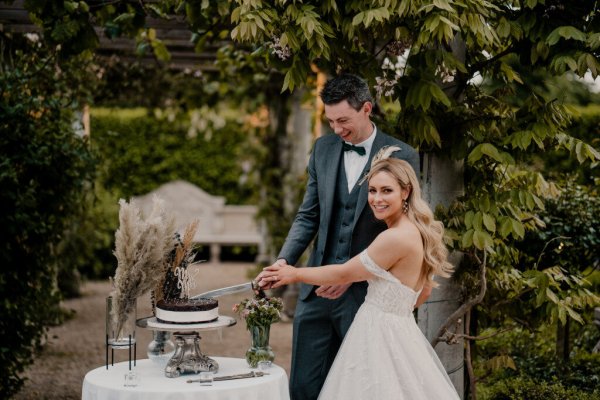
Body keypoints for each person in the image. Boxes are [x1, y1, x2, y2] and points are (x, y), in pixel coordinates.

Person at [258, 73, 423, 400]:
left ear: (366, 109)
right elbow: (309, 214)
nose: (336, 129)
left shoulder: (403, 155)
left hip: (364, 295)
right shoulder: (323, 148)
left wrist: (352, 275)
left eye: (343, 120)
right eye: (330, 120)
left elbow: (403, 227)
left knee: (359, 387)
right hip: (315, 291)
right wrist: (283, 260)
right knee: (303, 386)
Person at [258, 149, 459, 399]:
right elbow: (424, 290)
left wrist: (294, 274)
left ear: (405, 192)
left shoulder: (393, 238)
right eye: (372, 190)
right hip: (402, 332)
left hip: (377, 336)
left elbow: (343, 272)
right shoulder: (415, 231)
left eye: (387, 190)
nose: (376, 199)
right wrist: (395, 310)